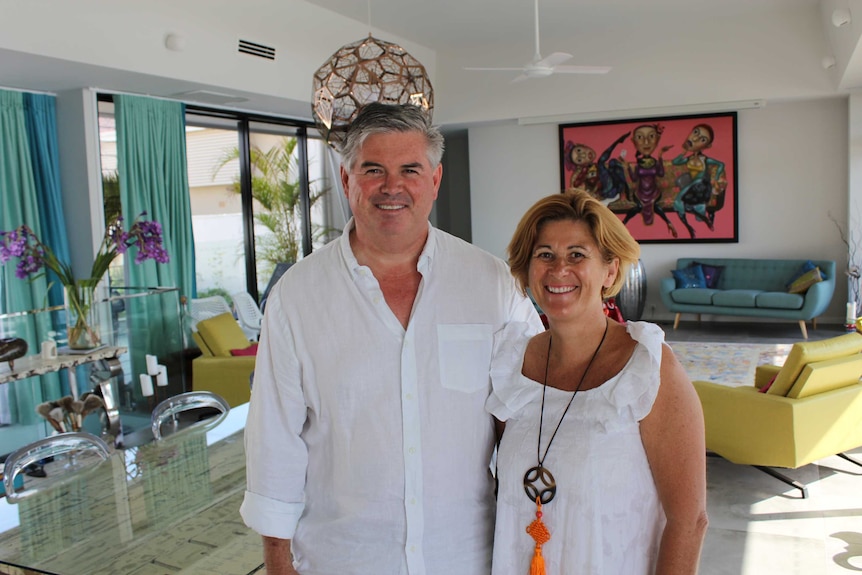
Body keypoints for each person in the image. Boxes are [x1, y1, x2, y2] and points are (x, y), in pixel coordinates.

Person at [239, 102, 543, 575]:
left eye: (410, 170)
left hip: (467, 556)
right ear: (346, 180)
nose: (392, 187)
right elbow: (275, 441)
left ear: (435, 180)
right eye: (373, 169)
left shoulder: (492, 284)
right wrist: (278, 563)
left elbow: (533, 412)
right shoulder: (296, 297)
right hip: (343, 558)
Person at [488, 189, 708, 574]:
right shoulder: (511, 365)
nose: (559, 270)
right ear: (527, 270)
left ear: (609, 270)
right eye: (545, 255)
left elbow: (689, 521)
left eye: (577, 255)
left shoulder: (648, 367)